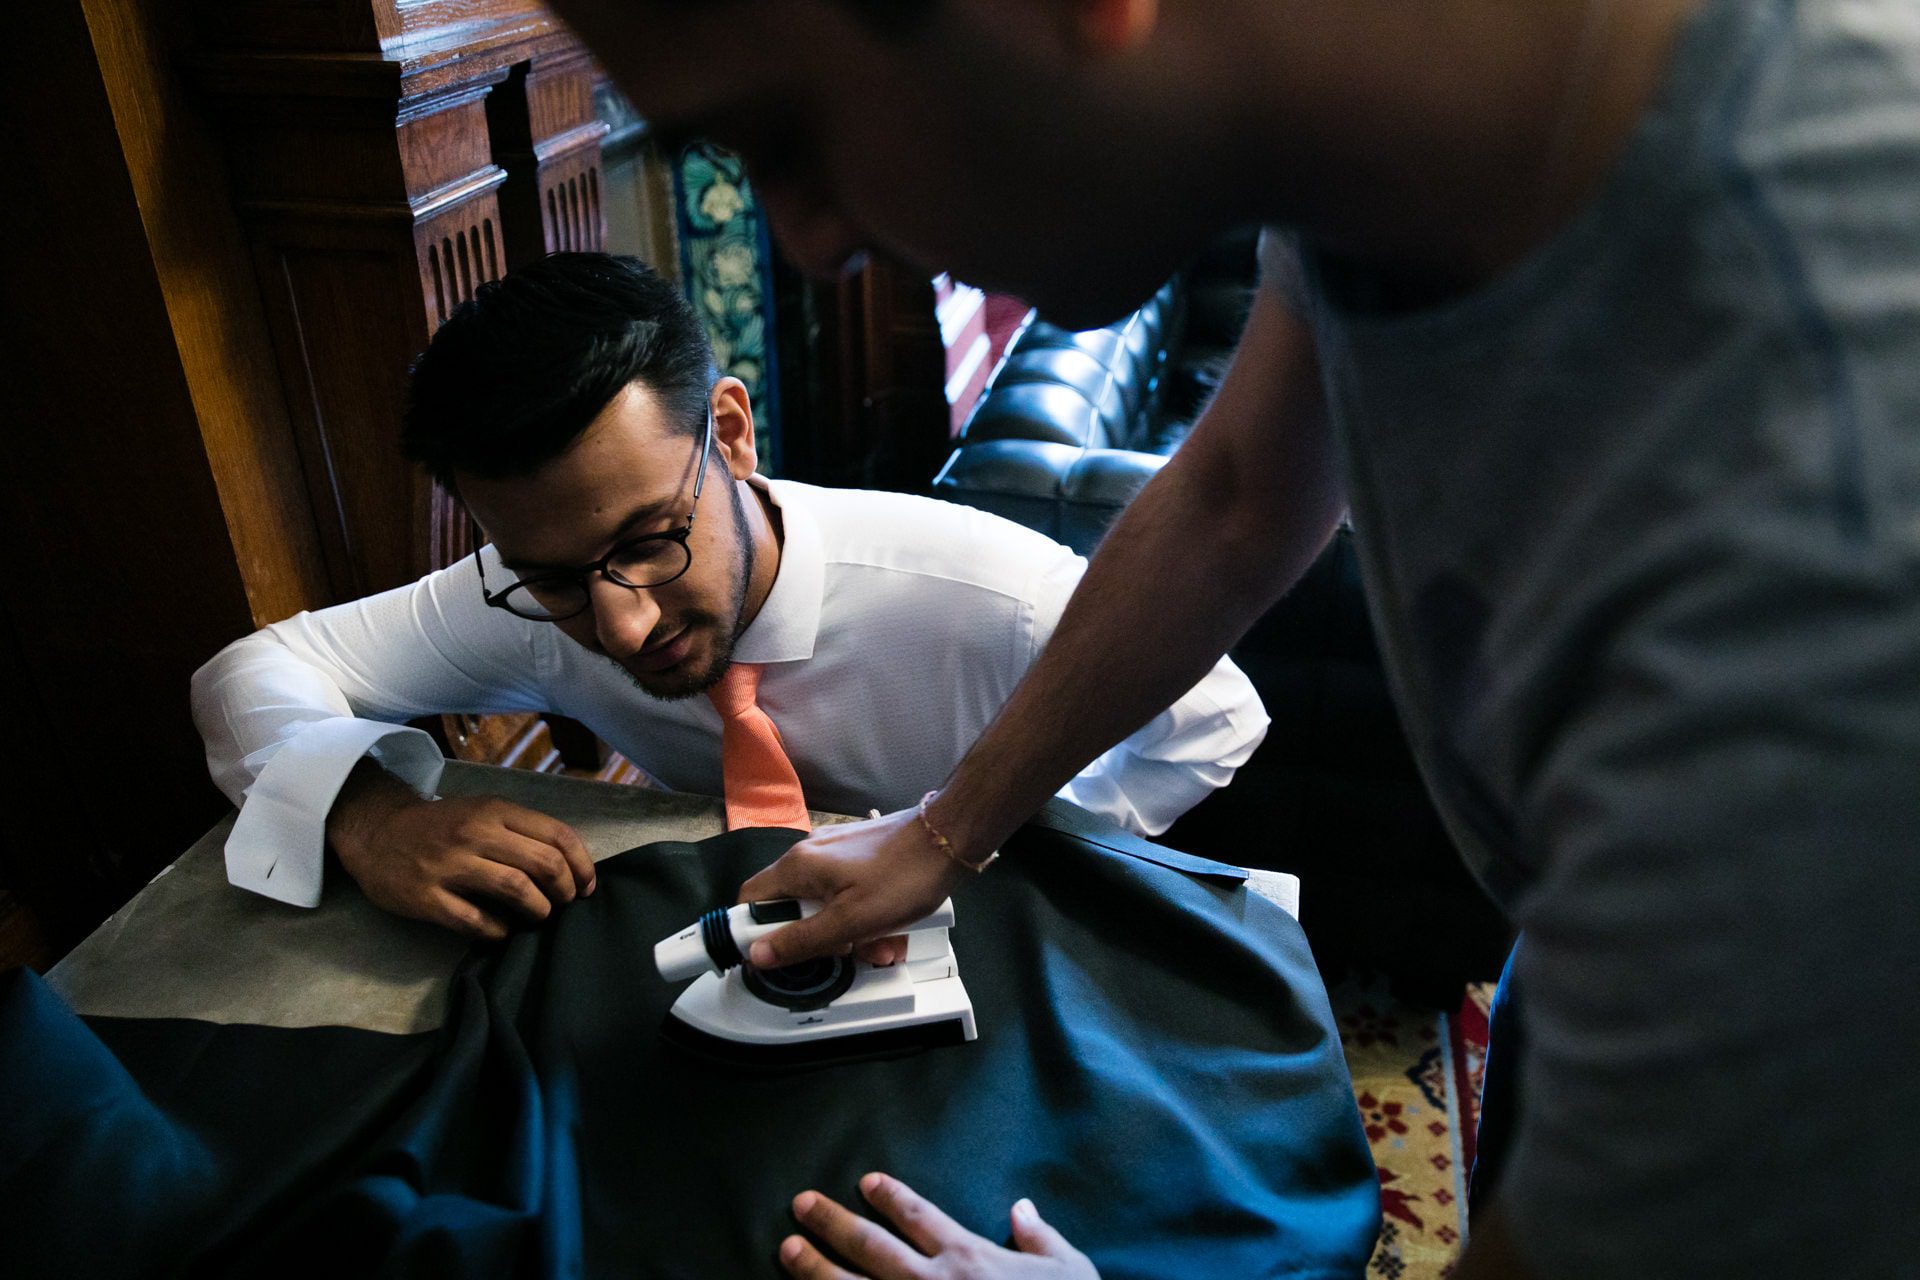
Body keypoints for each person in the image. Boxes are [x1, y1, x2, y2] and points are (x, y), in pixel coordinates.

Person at [536, 0, 1920, 1276]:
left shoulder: (1824, 537)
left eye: (788, 131)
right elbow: (1241, 493)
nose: (806, 237)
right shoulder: (1382, 121)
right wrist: (943, 830)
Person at [190, 252, 1266, 942]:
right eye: (557, 578)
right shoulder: (518, 591)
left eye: (650, 541)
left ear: (735, 435)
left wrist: (982, 845)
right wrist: (369, 816)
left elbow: (1219, 714)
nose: (621, 625)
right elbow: (248, 673)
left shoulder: (991, 594)